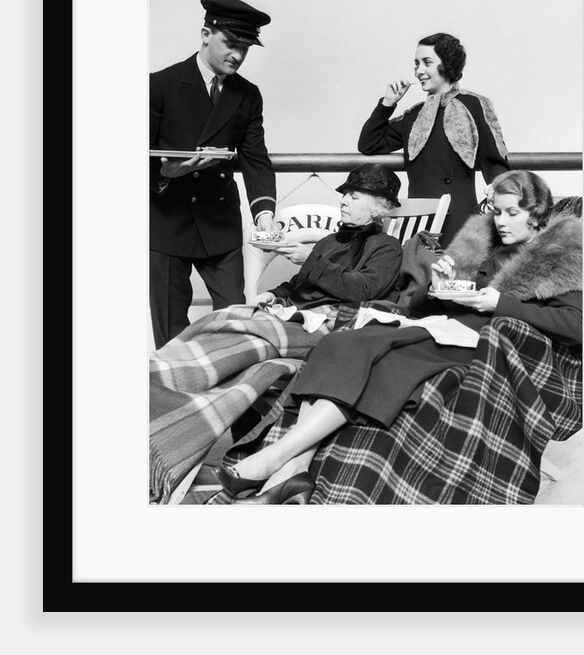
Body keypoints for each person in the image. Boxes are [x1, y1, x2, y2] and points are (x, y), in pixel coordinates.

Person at [213, 170, 582, 505]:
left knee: (387, 360)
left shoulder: (557, 256)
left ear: (535, 213)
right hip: (442, 328)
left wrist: (501, 302)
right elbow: (418, 306)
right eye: (496, 211)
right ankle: (292, 472)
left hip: (487, 347)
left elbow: (578, 325)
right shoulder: (483, 245)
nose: (500, 221)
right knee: (341, 342)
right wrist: (436, 288)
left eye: (511, 213)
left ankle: (274, 460)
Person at [149, 164, 405, 504]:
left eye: (353, 196)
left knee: (243, 328)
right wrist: (277, 294)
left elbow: (363, 288)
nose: (343, 200)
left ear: (379, 207)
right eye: (343, 193)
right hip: (290, 317)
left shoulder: (386, 248)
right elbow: (298, 286)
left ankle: (168, 375)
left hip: (325, 326)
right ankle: (170, 372)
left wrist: (310, 259)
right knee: (229, 317)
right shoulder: (331, 240)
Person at [149, 0, 278, 349]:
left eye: (245, 48)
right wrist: (167, 173)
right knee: (171, 336)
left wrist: (264, 213)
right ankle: (174, 403)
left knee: (234, 326)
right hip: (166, 224)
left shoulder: (247, 95)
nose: (237, 55)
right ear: (206, 34)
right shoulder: (159, 85)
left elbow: (255, 158)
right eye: (231, 44)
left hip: (218, 223)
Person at [357, 32, 510, 246]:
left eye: (427, 62)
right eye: (417, 64)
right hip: (417, 221)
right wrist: (388, 103)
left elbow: (494, 162)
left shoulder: (474, 105)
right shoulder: (414, 116)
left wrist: (499, 191)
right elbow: (368, 143)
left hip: (459, 219)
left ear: (447, 65)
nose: (419, 71)